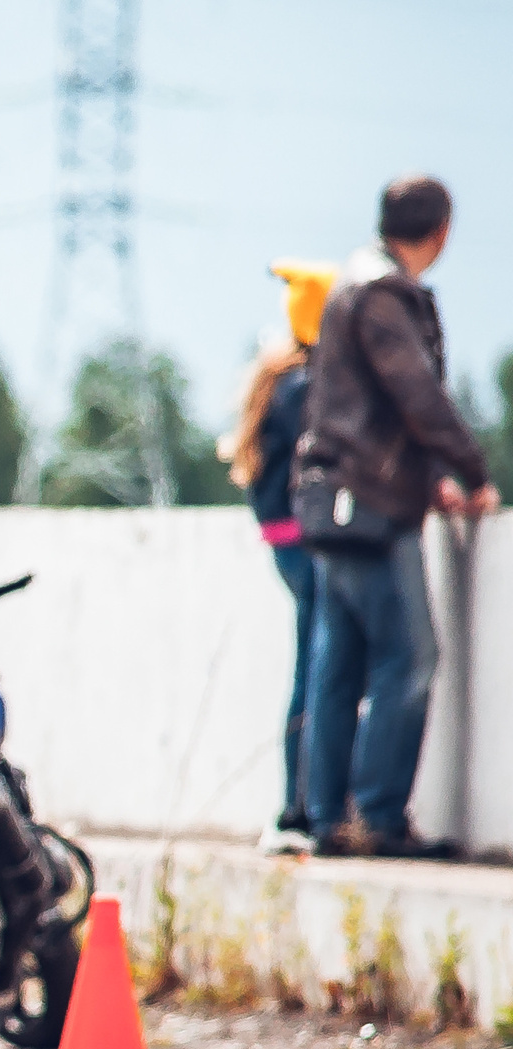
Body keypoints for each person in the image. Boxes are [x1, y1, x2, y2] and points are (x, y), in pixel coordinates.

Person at [293, 176, 497, 858]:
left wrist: (431, 477)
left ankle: (327, 816)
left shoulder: (351, 285)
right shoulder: (383, 294)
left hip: (333, 500)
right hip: (370, 506)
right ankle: (377, 817)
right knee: (409, 660)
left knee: (337, 667)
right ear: (441, 231)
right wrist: (471, 469)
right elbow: (416, 394)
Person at [220, 259, 333, 854]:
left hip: (286, 542)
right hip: (309, 545)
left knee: (314, 666)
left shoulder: (281, 380)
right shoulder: (305, 388)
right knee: (318, 672)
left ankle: (302, 804)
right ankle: (298, 807)